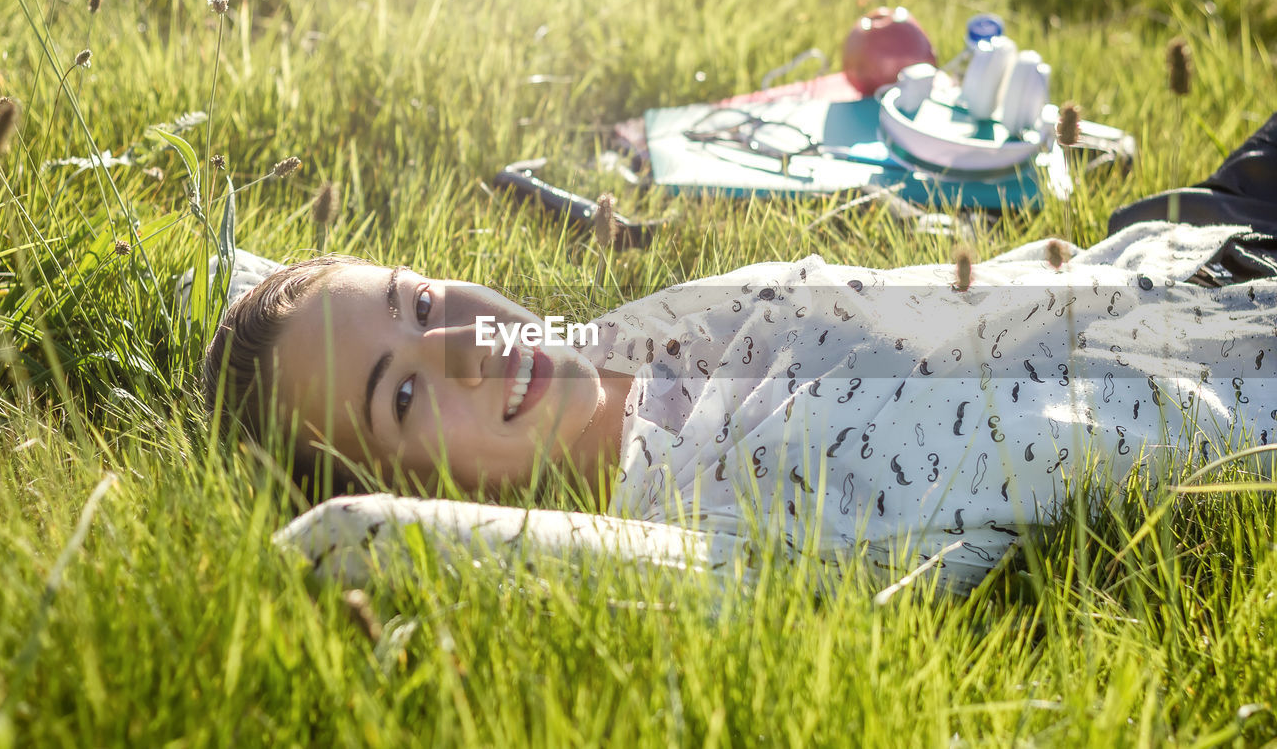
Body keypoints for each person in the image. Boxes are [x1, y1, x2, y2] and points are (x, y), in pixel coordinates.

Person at [209, 113, 1277, 592]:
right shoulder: (698, 526)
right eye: (401, 393)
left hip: (1180, 236)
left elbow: (239, 275)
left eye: (421, 298)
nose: (459, 344)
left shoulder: (618, 341)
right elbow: (344, 539)